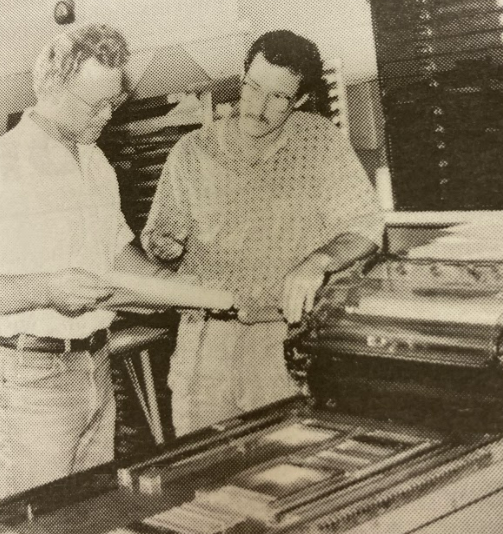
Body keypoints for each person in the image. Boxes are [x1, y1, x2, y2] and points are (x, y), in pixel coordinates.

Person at [0, 24, 169, 498]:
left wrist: (167, 285)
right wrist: (47, 290)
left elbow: (113, 249)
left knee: (90, 519)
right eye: (94, 105)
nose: (107, 116)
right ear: (51, 88)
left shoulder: (94, 162)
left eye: (114, 102)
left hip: (94, 363)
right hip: (30, 381)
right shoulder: (0, 169)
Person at [142, 30, 384, 436]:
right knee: (201, 475)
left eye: (277, 97)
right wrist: (161, 247)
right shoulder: (192, 151)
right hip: (205, 345)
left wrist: (318, 261)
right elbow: (158, 239)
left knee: (289, 474)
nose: (257, 106)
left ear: (300, 100)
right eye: (252, 88)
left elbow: (365, 226)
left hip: (284, 341)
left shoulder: (321, 143)